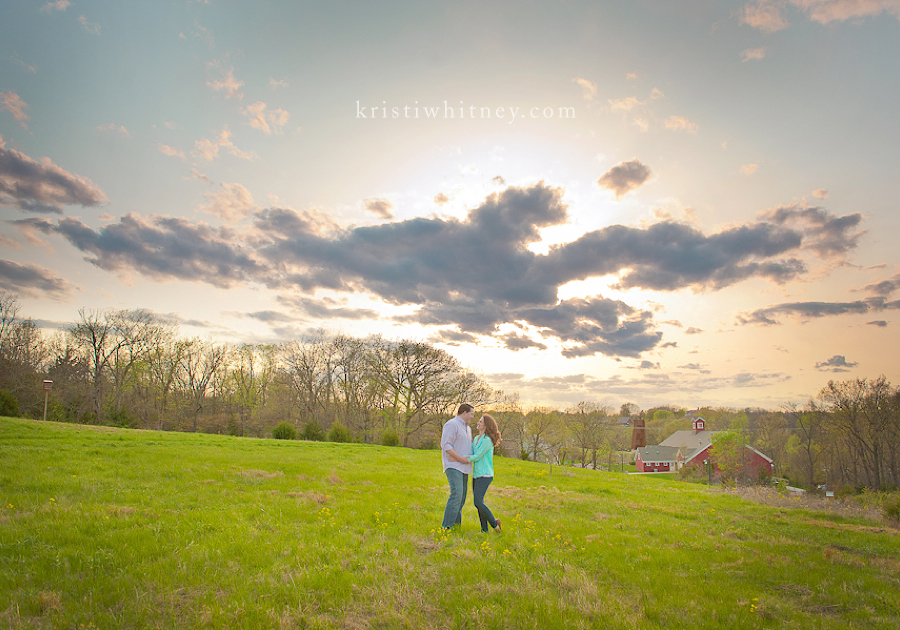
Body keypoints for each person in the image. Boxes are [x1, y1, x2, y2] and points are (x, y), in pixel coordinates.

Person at [440, 403, 474, 529]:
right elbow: (446, 445)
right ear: (464, 413)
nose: (472, 417)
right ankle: (446, 527)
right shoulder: (451, 425)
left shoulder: (468, 428)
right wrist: (459, 458)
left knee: (462, 497)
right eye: (471, 414)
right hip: (453, 466)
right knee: (456, 495)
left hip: (464, 467)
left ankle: (456, 526)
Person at [468, 413, 502, 533]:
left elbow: (477, 456)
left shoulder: (487, 441)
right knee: (479, 503)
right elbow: (471, 452)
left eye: (481, 422)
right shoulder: (477, 439)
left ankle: (495, 524)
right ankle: (484, 530)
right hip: (476, 475)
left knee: (477, 502)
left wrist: (461, 458)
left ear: (486, 426)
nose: (478, 423)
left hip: (485, 475)